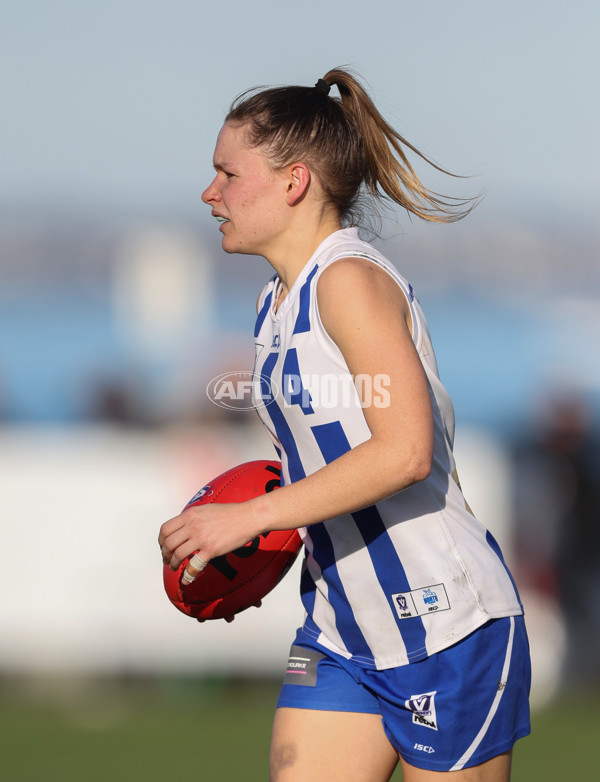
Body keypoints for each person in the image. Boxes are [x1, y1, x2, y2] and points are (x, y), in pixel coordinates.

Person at [159, 68, 531, 781]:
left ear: (293, 181)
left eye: (227, 173)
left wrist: (245, 521)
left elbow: (405, 454)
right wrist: (264, 543)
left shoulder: (349, 282)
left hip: (445, 627)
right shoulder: (276, 303)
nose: (211, 193)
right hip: (340, 628)